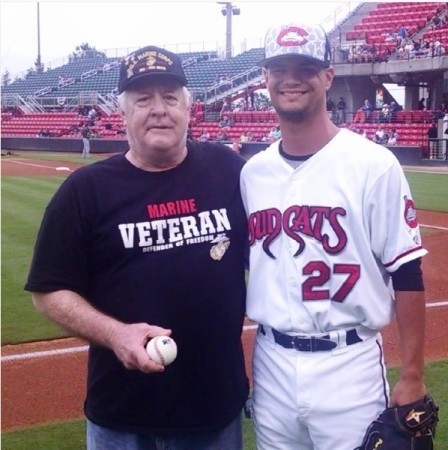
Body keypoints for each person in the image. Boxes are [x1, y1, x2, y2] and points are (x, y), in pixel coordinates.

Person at [25, 45, 249, 450]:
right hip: (122, 417)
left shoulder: (229, 170)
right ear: (123, 113)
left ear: (188, 109)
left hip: (213, 410)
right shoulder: (86, 191)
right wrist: (115, 334)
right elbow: (48, 290)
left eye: (170, 97)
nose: (159, 109)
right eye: (143, 99)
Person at [240, 22, 428, 450]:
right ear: (265, 78)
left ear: (327, 75)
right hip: (271, 361)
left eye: (305, 66)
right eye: (280, 67)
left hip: (349, 363)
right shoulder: (253, 174)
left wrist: (413, 372)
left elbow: (408, 272)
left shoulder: (372, 164)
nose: (292, 78)